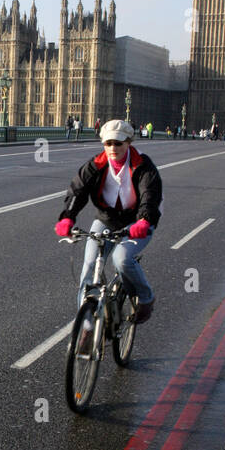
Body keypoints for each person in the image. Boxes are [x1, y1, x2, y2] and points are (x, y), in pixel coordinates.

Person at [53, 118, 162, 325]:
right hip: (107, 219)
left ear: (129, 142)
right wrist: (67, 216)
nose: (113, 148)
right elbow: (78, 190)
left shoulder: (143, 165)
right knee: (89, 267)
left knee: (121, 259)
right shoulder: (96, 165)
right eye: (108, 143)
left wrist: (144, 221)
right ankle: (86, 328)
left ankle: (146, 298)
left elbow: (150, 195)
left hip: (137, 222)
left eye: (118, 143)